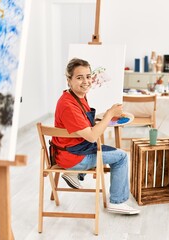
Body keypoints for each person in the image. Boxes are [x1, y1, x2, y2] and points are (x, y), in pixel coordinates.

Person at [51, 58, 139, 215]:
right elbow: (91, 136)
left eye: (88, 76)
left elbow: (83, 124)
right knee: (121, 157)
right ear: (68, 80)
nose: (86, 81)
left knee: (109, 149)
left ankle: (75, 174)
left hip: (71, 151)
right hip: (73, 157)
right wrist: (110, 114)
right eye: (79, 77)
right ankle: (117, 202)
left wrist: (103, 117)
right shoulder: (68, 105)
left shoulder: (75, 96)